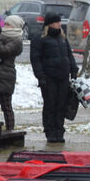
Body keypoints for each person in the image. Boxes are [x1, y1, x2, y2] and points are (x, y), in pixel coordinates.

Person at [29, 11, 77, 143]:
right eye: (56, 22)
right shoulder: (39, 39)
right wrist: (40, 76)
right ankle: (50, 132)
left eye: (59, 22)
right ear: (50, 24)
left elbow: (69, 55)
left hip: (63, 77)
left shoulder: (62, 38)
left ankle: (59, 131)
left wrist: (74, 70)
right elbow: (35, 59)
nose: (59, 24)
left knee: (61, 105)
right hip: (48, 78)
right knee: (50, 105)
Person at [0, 15, 24, 131]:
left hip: (5, 78)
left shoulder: (17, 41)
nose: (5, 26)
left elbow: (2, 51)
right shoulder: (0, 36)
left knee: (6, 107)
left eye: (8, 24)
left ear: (14, 26)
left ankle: (10, 131)